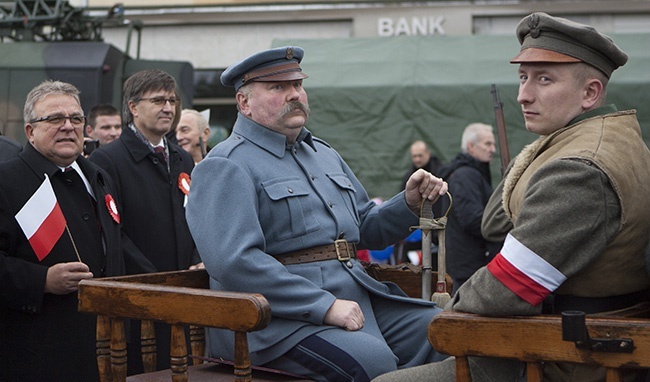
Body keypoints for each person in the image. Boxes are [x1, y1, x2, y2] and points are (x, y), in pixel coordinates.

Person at [373, 12, 650, 382]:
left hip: (563, 358)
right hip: (558, 339)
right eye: (523, 77)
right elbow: (494, 223)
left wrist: (444, 313)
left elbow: (507, 288)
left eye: (544, 79)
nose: (523, 95)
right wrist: (538, 148)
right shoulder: (604, 138)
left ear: (590, 93)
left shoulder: (579, 169)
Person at [185, 46, 449, 382]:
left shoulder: (323, 154)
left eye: (297, 85)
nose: (294, 94)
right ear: (244, 103)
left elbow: (365, 228)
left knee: (444, 332)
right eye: (278, 88)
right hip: (275, 324)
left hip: (356, 296)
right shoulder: (225, 164)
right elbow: (235, 262)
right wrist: (324, 306)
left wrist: (408, 203)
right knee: (371, 362)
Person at [0, 80, 148, 381]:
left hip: (106, 345)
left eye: (76, 118)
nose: (68, 126)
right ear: (30, 131)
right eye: (55, 119)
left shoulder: (97, 175)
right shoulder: (7, 181)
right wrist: (42, 280)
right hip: (39, 352)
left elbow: (117, 243)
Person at [89, 69, 201, 374]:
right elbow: (114, 232)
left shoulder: (182, 158)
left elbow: (194, 215)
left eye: (172, 100)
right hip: (142, 297)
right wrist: (156, 279)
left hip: (185, 290)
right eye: (158, 100)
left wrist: (196, 260)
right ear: (134, 107)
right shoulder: (107, 160)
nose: (168, 107)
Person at [437, 123, 501, 294]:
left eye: (493, 144)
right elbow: (472, 219)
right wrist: (502, 225)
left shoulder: (471, 174)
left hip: (470, 264)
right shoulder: (466, 175)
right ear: (471, 147)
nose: (493, 149)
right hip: (469, 268)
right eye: (488, 144)